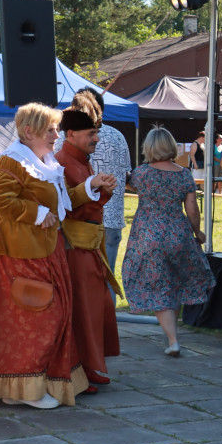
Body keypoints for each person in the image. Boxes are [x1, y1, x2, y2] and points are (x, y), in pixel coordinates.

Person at [0, 102, 105, 409]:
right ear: (29, 132)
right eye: (51, 129)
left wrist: (89, 187)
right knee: (39, 318)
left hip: (44, 249)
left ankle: (28, 386)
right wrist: (38, 213)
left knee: (50, 316)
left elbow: (61, 207)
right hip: (18, 254)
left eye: (56, 129)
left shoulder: (44, 160)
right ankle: (20, 390)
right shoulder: (12, 161)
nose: (57, 135)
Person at [122, 127, 215, 357]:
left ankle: (173, 340)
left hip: (148, 235)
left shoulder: (142, 173)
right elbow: (192, 208)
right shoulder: (183, 174)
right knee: (173, 283)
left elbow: (128, 184)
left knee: (158, 287)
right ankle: (173, 335)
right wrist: (198, 232)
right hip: (178, 234)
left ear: (149, 147)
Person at [55, 95, 121, 387]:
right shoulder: (61, 161)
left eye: (96, 132)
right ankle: (81, 372)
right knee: (83, 312)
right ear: (71, 134)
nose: (96, 138)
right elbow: (61, 207)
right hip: (74, 248)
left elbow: (89, 203)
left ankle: (91, 370)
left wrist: (99, 188)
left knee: (95, 310)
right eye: (91, 133)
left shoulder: (81, 160)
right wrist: (90, 187)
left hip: (90, 246)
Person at [76, 87, 132, 303]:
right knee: (107, 276)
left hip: (81, 218)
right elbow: (126, 174)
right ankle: (106, 324)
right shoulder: (117, 136)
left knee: (81, 279)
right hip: (112, 218)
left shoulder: (68, 137)